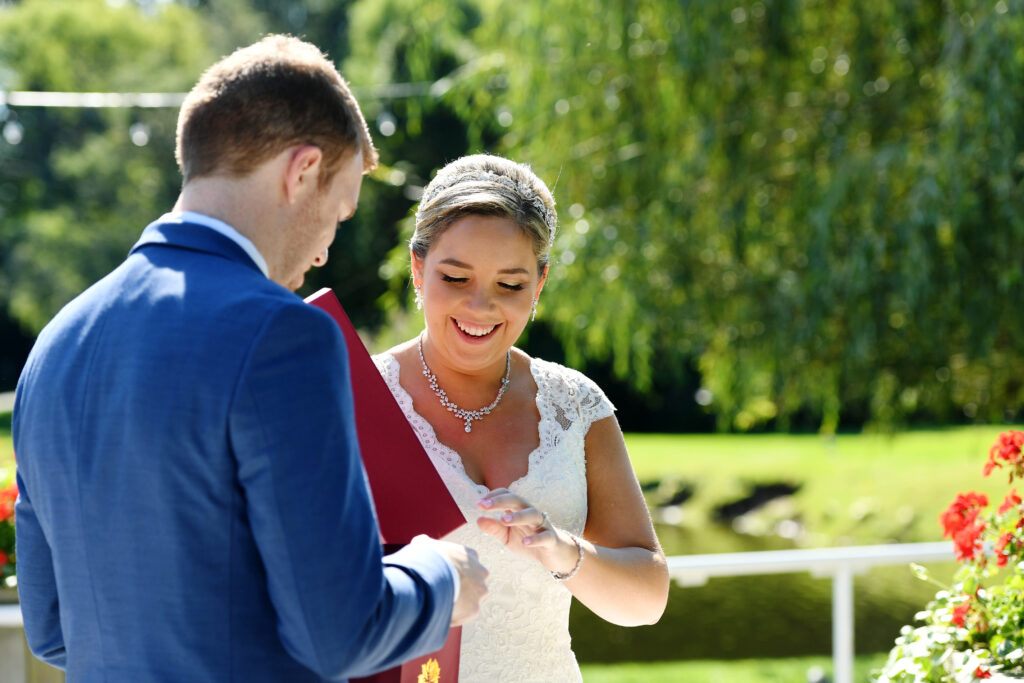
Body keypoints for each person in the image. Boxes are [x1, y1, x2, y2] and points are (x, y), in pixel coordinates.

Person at [12, 36, 487, 682]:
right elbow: (340, 630)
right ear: (302, 171)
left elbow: (51, 626)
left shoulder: (53, 348)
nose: (324, 251)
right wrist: (441, 576)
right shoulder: (282, 334)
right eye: (338, 211)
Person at [372, 154, 670, 681]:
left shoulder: (575, 406)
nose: (480, 307)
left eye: (510, 285)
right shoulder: (356, 397)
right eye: (455, 277)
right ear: (418, 269)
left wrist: (558, 548)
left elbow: (646, 601)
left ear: (540, 283)